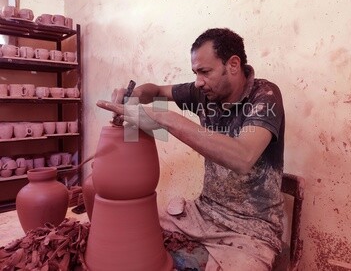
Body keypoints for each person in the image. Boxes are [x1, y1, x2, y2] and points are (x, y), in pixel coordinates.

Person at [96, 28, 285, 270]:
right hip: (205, 212)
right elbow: (155, 90)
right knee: (138, 232)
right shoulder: (204, 92)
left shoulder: (265, 96)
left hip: (252, 227)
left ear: (234, 64)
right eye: (195, 73)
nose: (198, 82)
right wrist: (136, 95)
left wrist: (167, 119)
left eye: (205, 72)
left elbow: (243, 157)